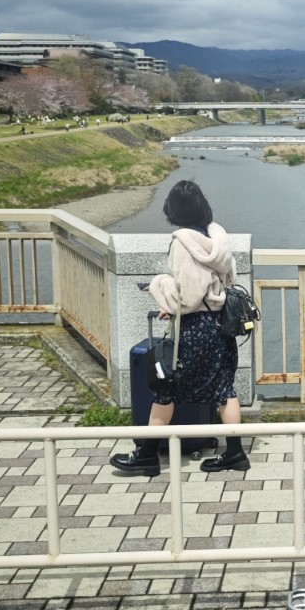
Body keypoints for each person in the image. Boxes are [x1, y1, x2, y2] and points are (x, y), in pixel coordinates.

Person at [110, 180, 249, 477]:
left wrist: (160, 285)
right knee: (224, 389)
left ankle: (146, 455)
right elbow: (220, 282)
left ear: (174, 210)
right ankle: (235, 453)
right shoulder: (217, 240)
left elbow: (188, 293)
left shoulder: (183, 243)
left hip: (197, 329)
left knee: (164, 387)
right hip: (221, 325)